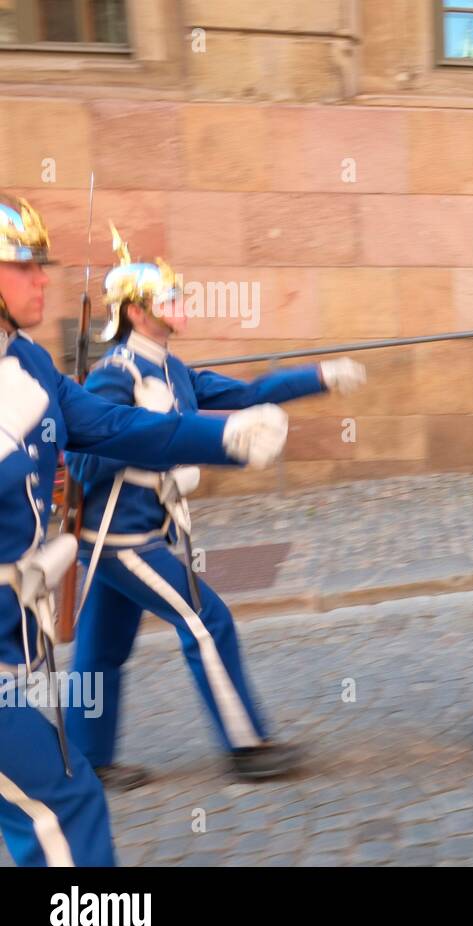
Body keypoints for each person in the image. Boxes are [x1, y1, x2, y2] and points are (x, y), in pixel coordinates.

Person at [0, 195, 287, 865]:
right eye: (24, 266)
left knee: (63, 791)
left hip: (20, 636)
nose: (43, 277)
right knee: (60, 810)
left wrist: (225, 439)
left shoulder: (33, 365)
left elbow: (112, 429)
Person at [64, 225, 366, 789]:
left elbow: (248, 394)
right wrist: (145, 430)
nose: (179, 305)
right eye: (167, 299)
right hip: (120, 539)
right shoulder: (112, 375)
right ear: (135, 312)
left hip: (144, 531)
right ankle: (246, 745)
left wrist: (320, 376)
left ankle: (89, 760)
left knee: (102, 651)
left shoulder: (174, 370)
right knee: (206, 619)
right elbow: (84, 463)